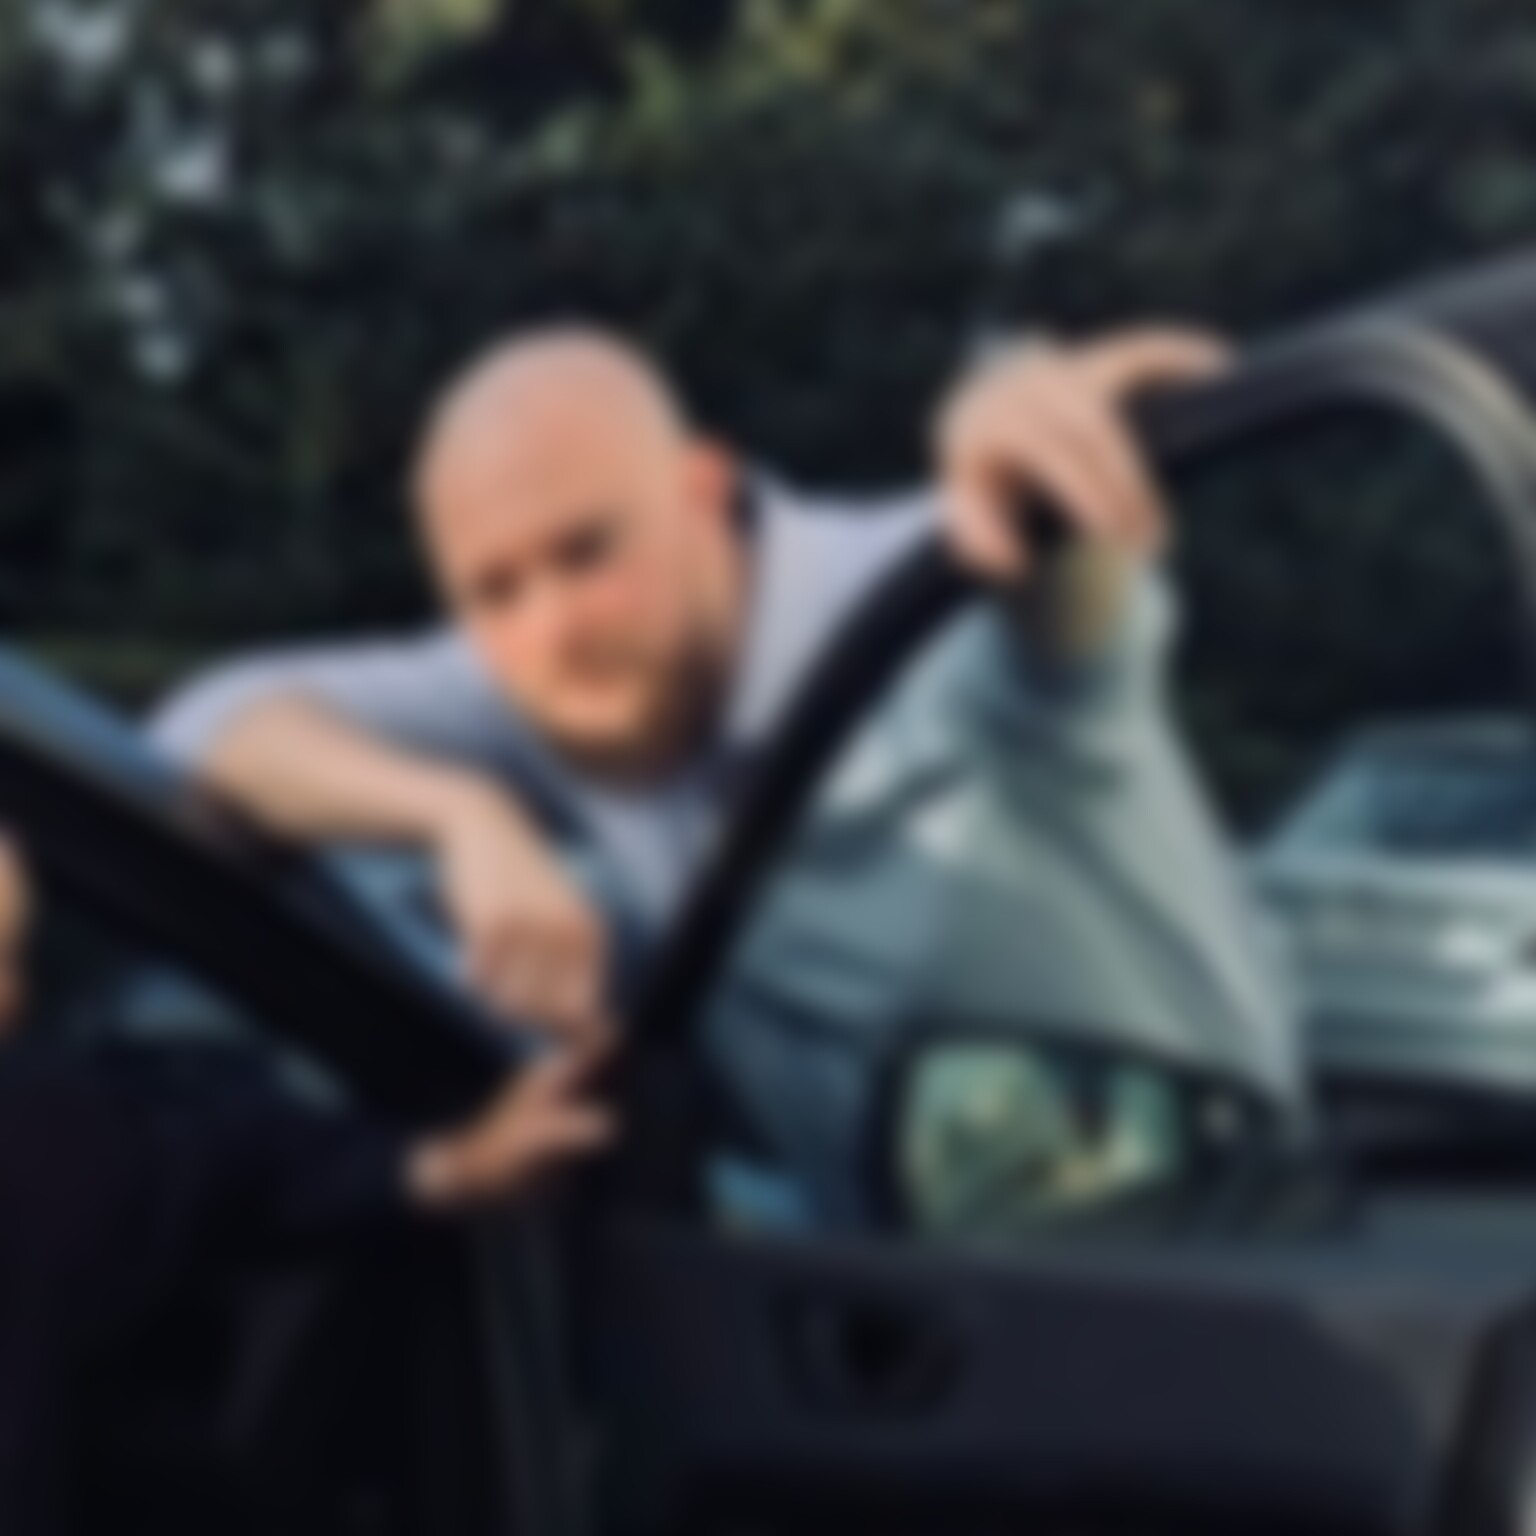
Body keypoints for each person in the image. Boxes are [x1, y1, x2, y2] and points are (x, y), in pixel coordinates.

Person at [150, 326, 1228, 1040]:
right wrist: (460, 813)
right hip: (887, 1283)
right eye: (493, 591)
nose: (551, 629)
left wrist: (1033, 458)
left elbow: (1066, 624)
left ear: (703, 490)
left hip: (1206, 1245)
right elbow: (202, 734)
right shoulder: (531, 687)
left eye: (589, 552)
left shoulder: (913, 590)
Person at [0, 831, 613, 1536]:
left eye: (10, 959)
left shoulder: (49, 1148)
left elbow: (232, 1159)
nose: (10, 995)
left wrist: (455, 1166)